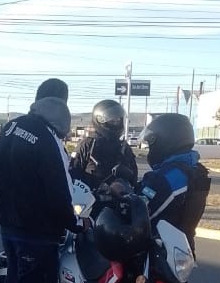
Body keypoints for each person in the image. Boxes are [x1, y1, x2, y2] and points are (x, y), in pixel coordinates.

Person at [0, 78, 83, 283]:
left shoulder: (12, 127)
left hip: (10, 228)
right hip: (37, 235)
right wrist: (75, 224)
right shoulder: (49, 141)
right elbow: (60, 192)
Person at [137, 113, 211, 251]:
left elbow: (144, 210)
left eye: (153, 143)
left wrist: (122, 192)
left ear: (166, 140)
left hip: (158, 251)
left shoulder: (170, 176)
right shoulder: (195, 169)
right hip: (182, 247)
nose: (151, 149)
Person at [69, 99, 138, 192]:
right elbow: (72, 175)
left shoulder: (124, 148)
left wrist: (128, 174)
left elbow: (134, 180)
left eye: (118, 120)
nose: (116, 123)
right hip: (90, 202)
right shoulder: (87, 145)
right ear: (99, 120)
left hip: (120, 202)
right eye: (112, 120)